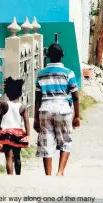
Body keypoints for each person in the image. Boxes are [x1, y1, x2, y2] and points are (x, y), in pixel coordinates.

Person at [34, 43, 80, 176]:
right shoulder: (68, 73)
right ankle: (60, 172)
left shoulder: (41, 74)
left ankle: (48, 175)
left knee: (46, 141)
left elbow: (38, 98)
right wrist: (77, 116)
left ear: (47, 56)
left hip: (45, 110)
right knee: (66, 141)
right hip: (63, 109)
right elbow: (75, 96)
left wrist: (36, 118)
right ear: (62, 56)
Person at [0, 77, 30, 175]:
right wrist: (28, 135)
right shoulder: (22, 107)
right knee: (17, 156)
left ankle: (10, 177)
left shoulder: (4, 105)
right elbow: (26, 122)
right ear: (20, 93)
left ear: (7, 93)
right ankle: (18, 175)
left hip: (6, 133)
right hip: (18, 133)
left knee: (8, 157)